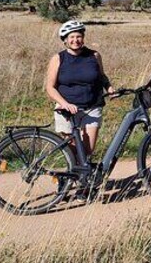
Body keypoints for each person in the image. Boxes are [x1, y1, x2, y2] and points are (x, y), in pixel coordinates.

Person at [45, 20, 114, 161]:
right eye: (71, 37)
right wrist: (64, 104)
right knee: (72, 152)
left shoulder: (94, 56)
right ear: (65, 40)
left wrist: (109, 87)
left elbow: (101, 76)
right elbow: (50, 87)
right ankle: (71, 180)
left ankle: (84, 180)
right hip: (67, 109)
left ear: (83, 37)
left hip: (92, 107)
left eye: (78, 36)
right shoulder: (58, 59)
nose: (75, 40)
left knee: (87, 150)